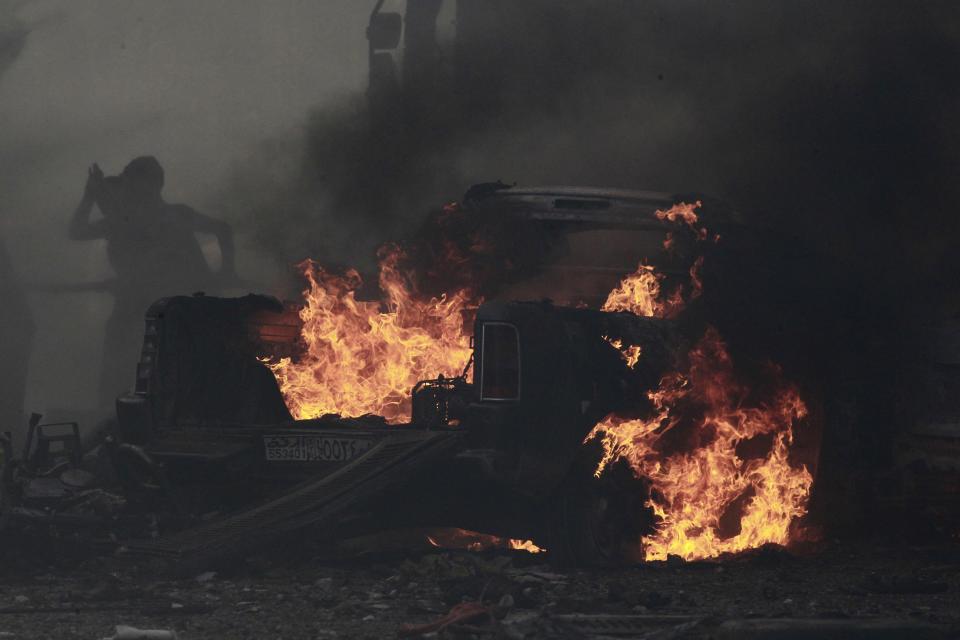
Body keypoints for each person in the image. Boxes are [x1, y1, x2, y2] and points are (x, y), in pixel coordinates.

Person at [69, 156, 237, 409]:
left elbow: (222, 229)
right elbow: (77, 232)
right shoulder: (121, 219)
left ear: (150, 184)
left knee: (174, 376)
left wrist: (226, 273)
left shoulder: (176, 215)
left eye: (131, 182)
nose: (126, 189)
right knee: (119, 374)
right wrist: (89, 196)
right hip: (133, 309)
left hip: (174, 313)